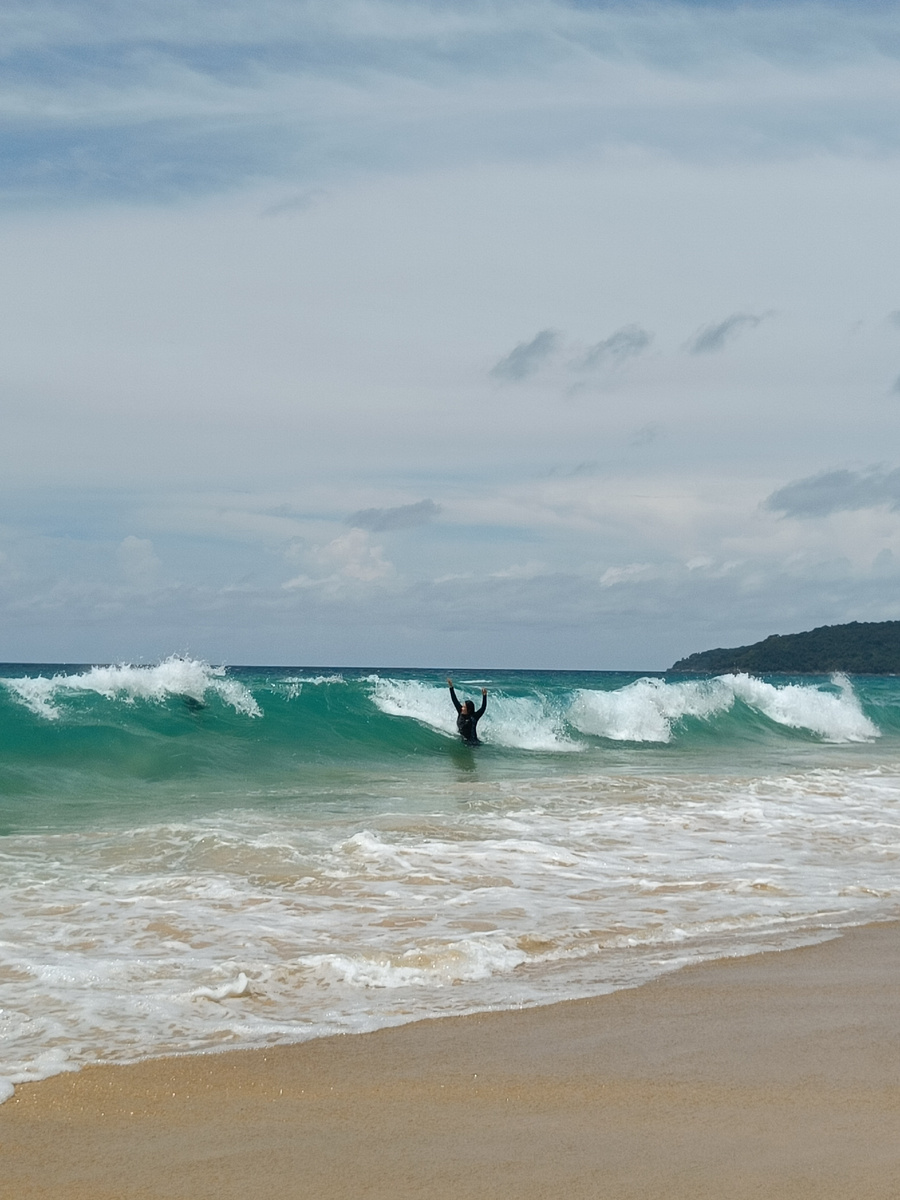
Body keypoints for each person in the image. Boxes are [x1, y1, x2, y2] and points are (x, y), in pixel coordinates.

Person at [447, 678, 487, 745]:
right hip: (463, 741)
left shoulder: (474, 717)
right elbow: (454, 699)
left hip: (473, 743)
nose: (462, 708)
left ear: (469, 710)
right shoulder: (460, 711)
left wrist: (484, 696)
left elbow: (483, 708)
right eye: (462, 706)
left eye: (464, 707)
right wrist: (451, 687)